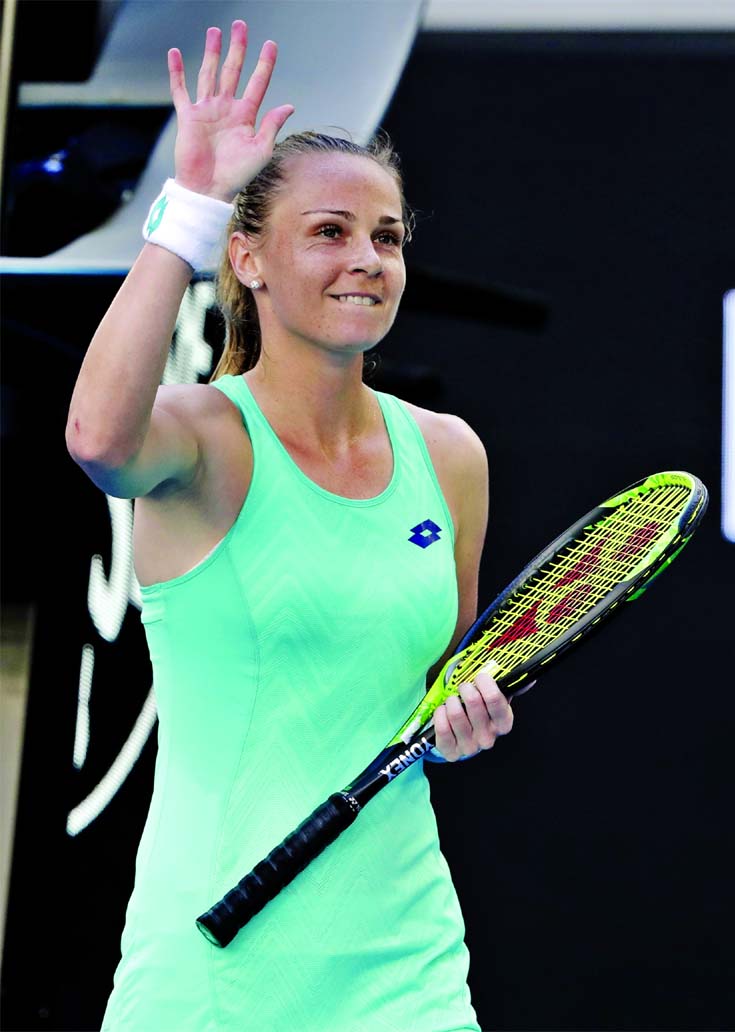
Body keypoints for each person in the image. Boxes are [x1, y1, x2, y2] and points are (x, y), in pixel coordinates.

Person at [66, 20, 516, 1032]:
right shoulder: (200, 439)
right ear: (249, 258)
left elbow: (433, 686)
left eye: (386, 236)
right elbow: (97, 436)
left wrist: (460, 725)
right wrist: (183, 211)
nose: (366, 258)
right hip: (215, 969)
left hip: (410, 971)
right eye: (328, 231)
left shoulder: (451, 456)